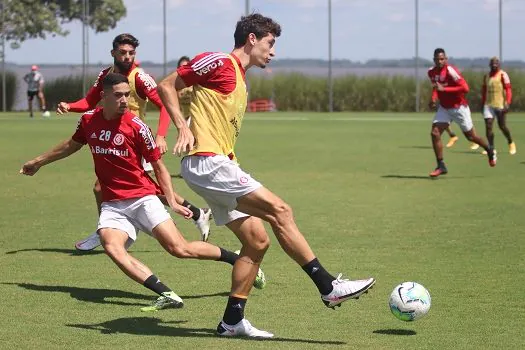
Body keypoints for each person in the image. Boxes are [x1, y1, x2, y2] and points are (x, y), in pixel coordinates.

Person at [157, 13, 376, 338]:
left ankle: (232, 321)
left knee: (257, 242)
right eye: (270, 43)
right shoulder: (219, 61)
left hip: (217, 164)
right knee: (281, 211)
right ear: (252, 38)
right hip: (207, 163)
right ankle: (328, 285)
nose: (272, 51)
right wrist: (181, 125)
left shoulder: (240, 78)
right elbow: (166, 85)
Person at [20, 73, 265, 312]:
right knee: (112, 247)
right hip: (113, 204)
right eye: (118, 96)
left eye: (127, 95)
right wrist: (38, 161)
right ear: (103, 96)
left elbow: (158, 166)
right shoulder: (88, 121)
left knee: (180, 249)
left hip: (143, 199)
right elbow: (71, 145)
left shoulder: (136, 126)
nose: (125, 100)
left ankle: (234, 258)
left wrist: (172, 201)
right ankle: (167, 294)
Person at [56, 34, 212, 249]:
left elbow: (165, 104)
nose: (127, 56)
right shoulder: (106, 75)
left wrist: (160, 136)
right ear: (113, 53)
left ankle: (107, 230)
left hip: (134, 140)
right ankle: (197, 213)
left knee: (110, 188)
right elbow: (89, 101)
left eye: (131, 53)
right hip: (113, 139)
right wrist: (70, 105)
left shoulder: (140, 77)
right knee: (138, 189)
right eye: (123, 52)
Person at [427, 48, 496, 178]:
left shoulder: (451, 71)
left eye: (442, 59)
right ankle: (441, 165)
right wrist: (433, 99)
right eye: (437, 59)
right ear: (434, 60)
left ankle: (490, 150)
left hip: (459, 108)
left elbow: (465, 88)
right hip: (444, 108)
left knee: (471, 137)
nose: (439, 61)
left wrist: (445, 89)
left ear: (446, 59)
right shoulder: (431, 72)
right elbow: (436, 88)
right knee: (435, 133)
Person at [480, 56, 515, 155]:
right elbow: (484, 91)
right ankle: (491, 148)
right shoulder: (486, 76)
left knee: (502, 126)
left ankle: (510, 142)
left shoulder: (503, 75)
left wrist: (507, 102)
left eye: (496, 63)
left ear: (499, 65)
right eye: (492, 64)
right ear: (489, 65)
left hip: (500, 104)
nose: (494, 65)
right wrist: (482, 104)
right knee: (488, 126)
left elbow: (508, 89)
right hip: (488, 105)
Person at [172, 56, 192, 179]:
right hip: (183, 117)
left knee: (187, 142)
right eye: (181, 66)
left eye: (186, 66)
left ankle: (188, 171)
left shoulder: (194, 82)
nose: (183, 68)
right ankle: (187, 170)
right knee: (187, 144)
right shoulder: (177, 85)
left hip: (195, 116)